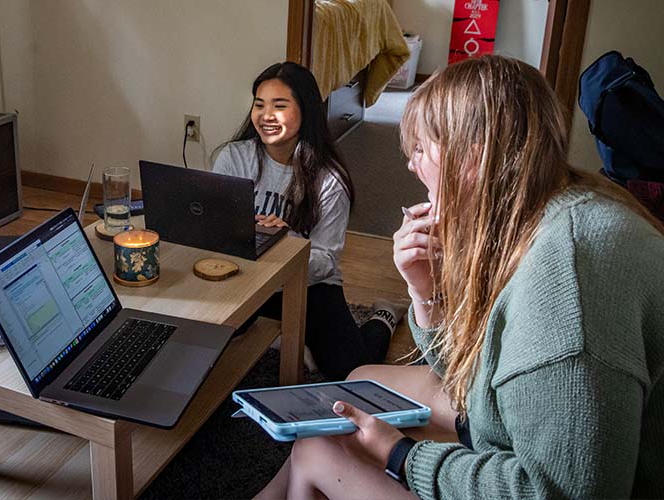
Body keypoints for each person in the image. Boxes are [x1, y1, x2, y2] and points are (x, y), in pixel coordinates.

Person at [256, 55, 664, 499]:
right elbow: (472, 373)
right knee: (358, 383)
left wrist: (402, 456)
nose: (412, 166)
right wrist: (424, 292)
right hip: (519, 425)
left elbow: (562, 491)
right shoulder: (549, 204)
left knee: (318, 450)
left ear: (474, 157)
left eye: (420, 149)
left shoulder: (567, 283)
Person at [213, 62, 404, 381]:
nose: (265, 115)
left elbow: (325, 261)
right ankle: (285, 338)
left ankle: (384, 315)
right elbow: (213, 228)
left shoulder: (330, 179)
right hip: (246, 282)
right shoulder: (234, 158)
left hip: (310, 286)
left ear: (306, 110)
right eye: (259, 105)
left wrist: (286, 246)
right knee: (212, 338)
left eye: (279, 105)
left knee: (352, 372)